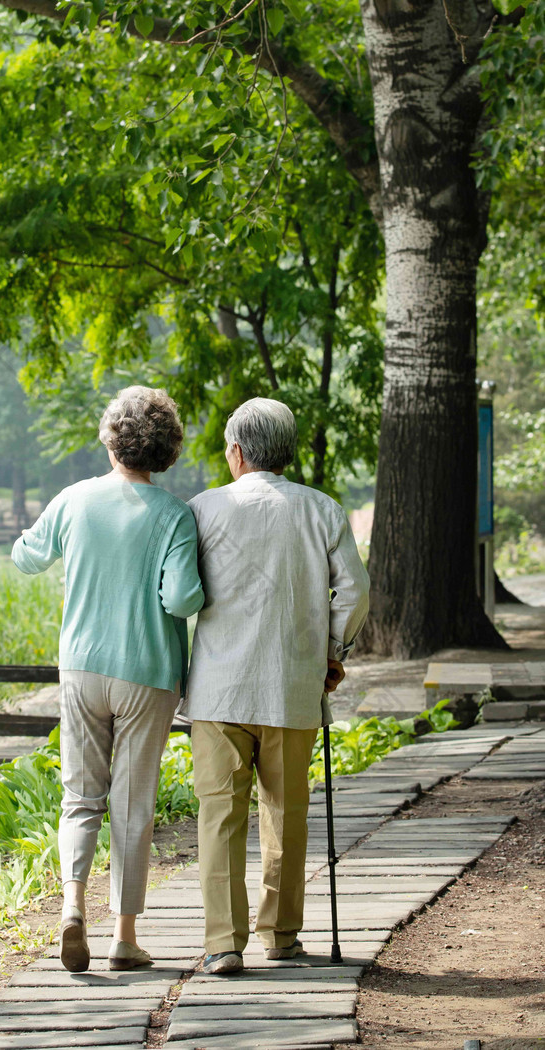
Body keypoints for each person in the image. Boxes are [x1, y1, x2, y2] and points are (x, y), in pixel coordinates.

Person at [11, 386, 204, 973]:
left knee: (80, 795)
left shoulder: (73, 500)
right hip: (148, 673)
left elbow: (25, 556)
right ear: (166, 448)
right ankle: (123, 935)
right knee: (132, 801)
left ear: (111, 437)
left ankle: (72, 906)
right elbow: (183, 597)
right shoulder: (174, 515)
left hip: (82, 666)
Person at [182, 397, 369, 975]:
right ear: (284, 452)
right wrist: (334, 653)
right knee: (286, 813)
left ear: (236, 452)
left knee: (219, 815)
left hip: (218, 689)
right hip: (292, 685)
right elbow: (356, 591)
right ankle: (281, 935)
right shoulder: (321, 510)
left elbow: (180, 591)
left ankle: (222, 944)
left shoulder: (203, 509)